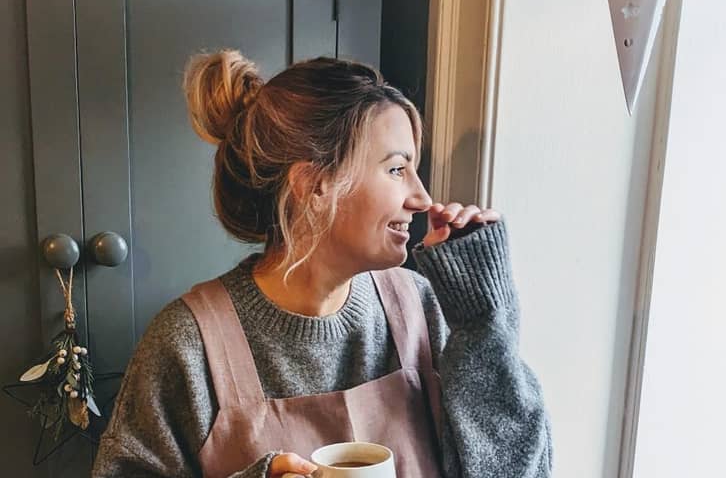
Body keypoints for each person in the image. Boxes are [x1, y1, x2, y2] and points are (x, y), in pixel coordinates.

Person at [92, 51, 553, 477]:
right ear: (314, 185)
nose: (422, 198)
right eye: (396, 169)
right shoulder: (187, 344)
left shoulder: (420, 307)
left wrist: (481, 317)